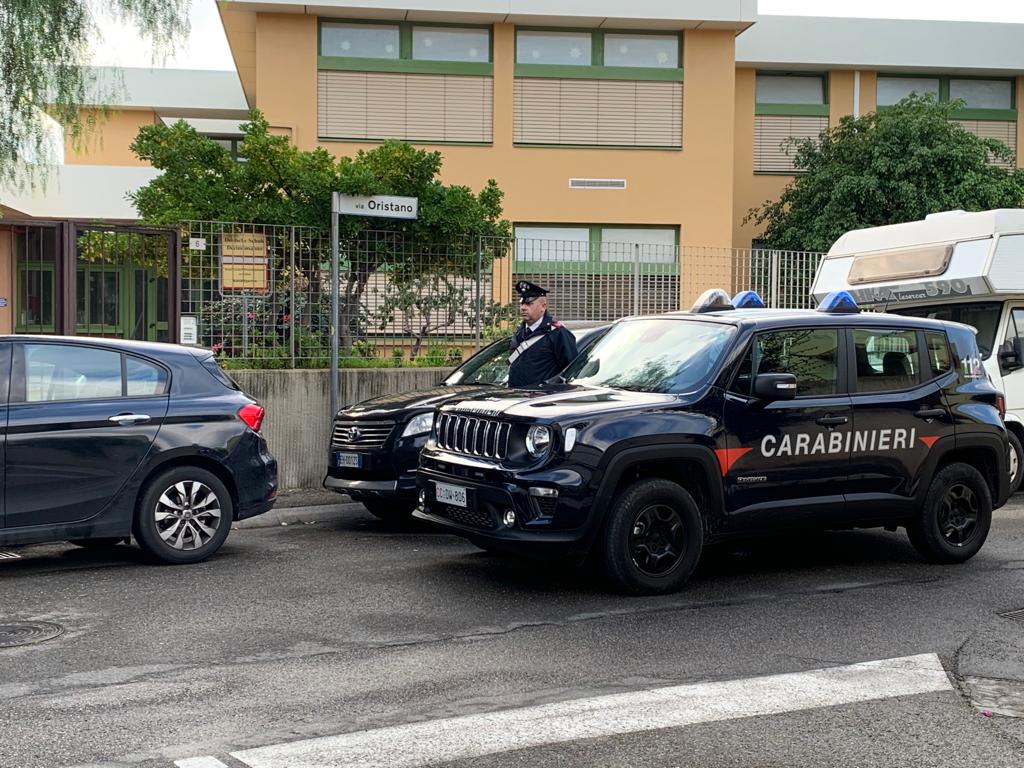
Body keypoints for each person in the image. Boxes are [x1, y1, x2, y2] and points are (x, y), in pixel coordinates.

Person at [507, 280, 579, 388]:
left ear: (543, 307)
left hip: (544, 396)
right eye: (522, 303)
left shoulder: (557, 334)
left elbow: (572, 371)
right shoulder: (519, 332)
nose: (523, 307)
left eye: (529, 303)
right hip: (516, 395)